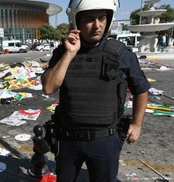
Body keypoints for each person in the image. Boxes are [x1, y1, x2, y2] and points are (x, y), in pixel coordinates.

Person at [41, 0, 150, 181]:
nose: (97, 25)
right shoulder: (63, 52)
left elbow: (141, 90)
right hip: (68, 141)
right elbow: (48, 87)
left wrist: (137, 125)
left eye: (102, 18)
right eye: (89, 19)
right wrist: (69, 53)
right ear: (77, 22)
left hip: (105, 141)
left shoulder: (122, 54)